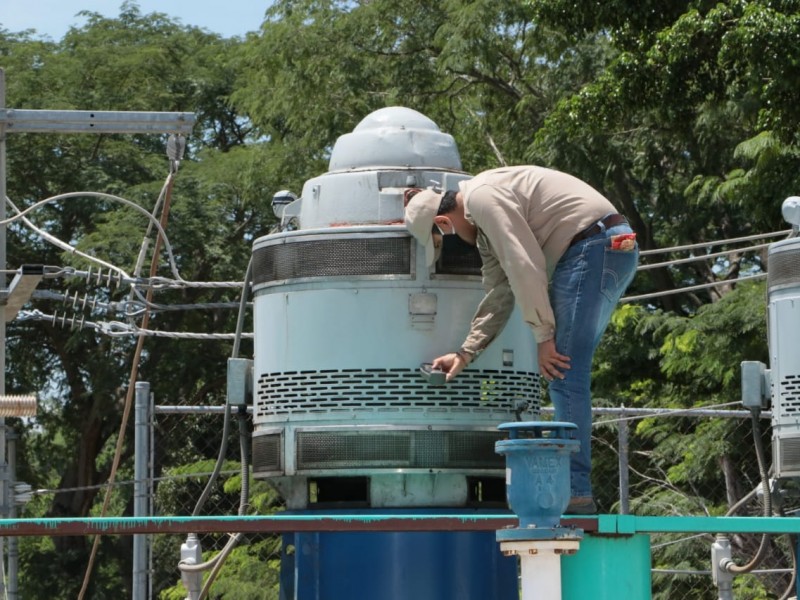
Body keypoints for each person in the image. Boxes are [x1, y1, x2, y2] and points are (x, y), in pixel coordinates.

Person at [404, 165, 638, 514]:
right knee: (568, 373)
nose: (451, 243)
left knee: (562, 372)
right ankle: (576, 489)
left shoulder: (483, 198)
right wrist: (465, 354)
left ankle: (576, 492)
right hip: (612, 247)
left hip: (591, 246)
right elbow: (501, 292)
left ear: (443, 223)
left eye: (443, 239)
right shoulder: (484, 225)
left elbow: (525, 264)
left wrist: (544, 335)